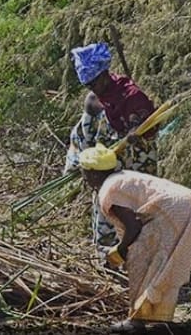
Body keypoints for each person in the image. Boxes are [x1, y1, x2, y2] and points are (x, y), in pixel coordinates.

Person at [78, 144, 191, 331]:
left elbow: (133, 226)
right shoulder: (122, 177)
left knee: (141, 258)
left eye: (84, 172)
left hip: (174, 209)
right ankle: (160, 318)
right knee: (165, 263)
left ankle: (137, 320)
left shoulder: (109, 190)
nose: (83, 177)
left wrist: (120, 250)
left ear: (94, 174)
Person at [71, 42, 158, 174]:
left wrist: (134, 131)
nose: (93, 89)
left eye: (94, 83)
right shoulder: (93, 101)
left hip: (135, 161)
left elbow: (145, 126)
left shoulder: (131, 96)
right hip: (104, 163)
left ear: (104, 74)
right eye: (88, 86)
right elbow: (83, 138)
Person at [64, 92, 122, 264]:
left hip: (111, 177)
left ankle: (111, 258)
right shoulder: (88, 128)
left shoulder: (113, 120)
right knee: (105, 216)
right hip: (103, 174)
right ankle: (108, 259)